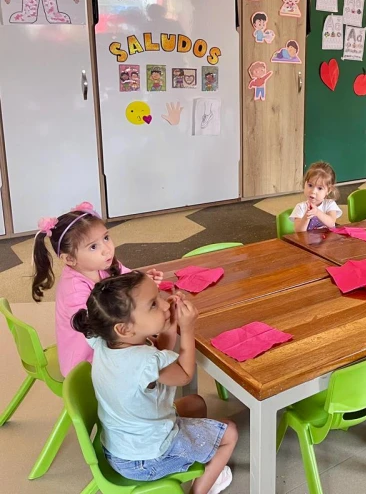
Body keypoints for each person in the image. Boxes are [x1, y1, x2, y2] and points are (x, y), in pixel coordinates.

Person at [72, 272, 237, 494]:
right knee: (230, 433)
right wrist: (187, 329)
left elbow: (159, 353)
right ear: (124, 328)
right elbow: (184, 374)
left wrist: (169, 322)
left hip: (121, 446)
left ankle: (198, 456)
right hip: (147, 459)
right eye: (153, 304)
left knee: (196, 403)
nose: (163, 304)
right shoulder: (144, 361)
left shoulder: (106, 340)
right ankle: (200, 490)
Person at [32, 203, 163, 376]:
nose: (106, 249)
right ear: (70, 259)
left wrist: (144, 281)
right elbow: (100, 329)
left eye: (106, 238)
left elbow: (129, 281)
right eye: (93, 247)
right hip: (84, 365)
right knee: (152, 352)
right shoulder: (74, 291)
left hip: (106, 345)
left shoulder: (104, 264)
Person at [290, 161, 342, 232]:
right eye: (310, 185)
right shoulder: (300, 207)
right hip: (306, 242)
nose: (313, 191)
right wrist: (306, 216)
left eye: (320, 188)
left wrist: (317, 212)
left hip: (327, 242)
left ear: (328, 190)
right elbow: (299, 231)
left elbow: (331, 223)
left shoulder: (330, 204)